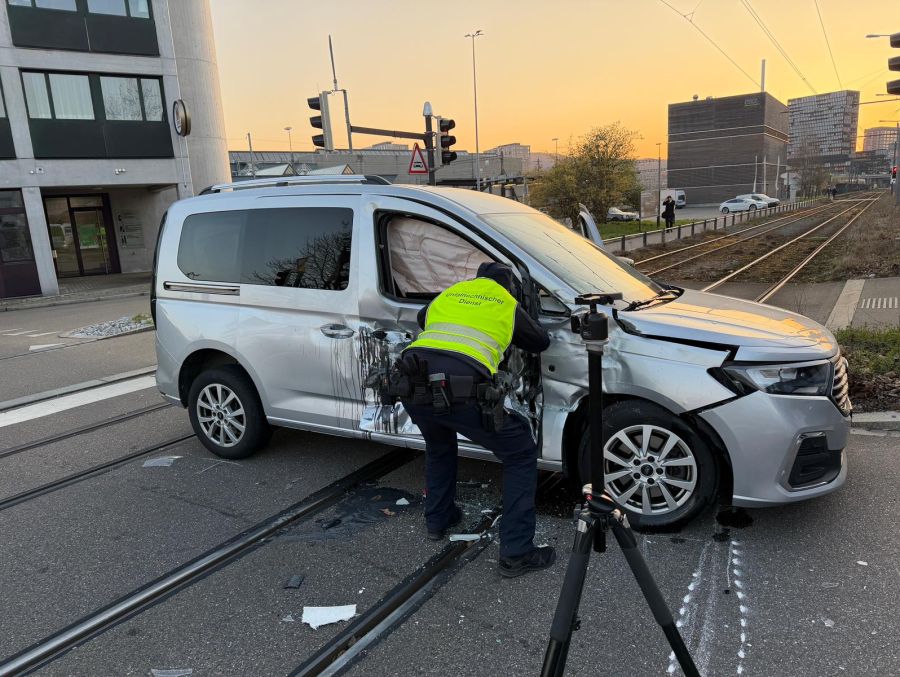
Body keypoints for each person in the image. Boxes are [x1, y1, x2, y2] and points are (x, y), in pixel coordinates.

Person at [398, 262, 554, 578]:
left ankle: (438, 519)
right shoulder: (505, 301)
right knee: (520, 452)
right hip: (461, 389)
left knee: (439, 445)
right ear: (510, 287)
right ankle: (517, 551)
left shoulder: (452, 292)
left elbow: (422, 319)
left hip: (410, 381)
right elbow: (540, 342)